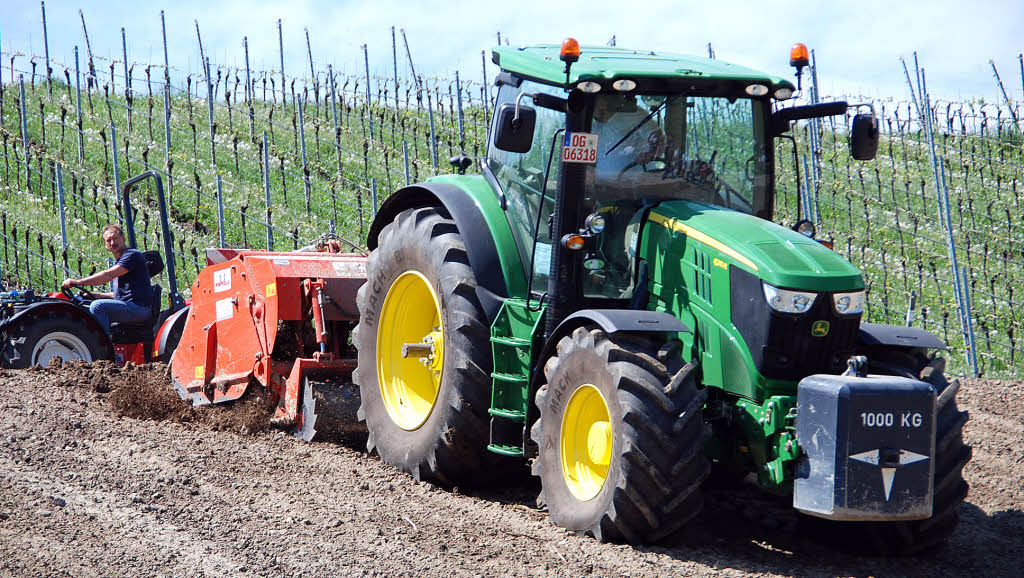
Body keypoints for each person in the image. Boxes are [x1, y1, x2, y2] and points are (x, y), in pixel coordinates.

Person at [62, 224, 154, 333]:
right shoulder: (118, 262)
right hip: (129, 306)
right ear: (106, 245)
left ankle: (101, 347)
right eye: (108, 240)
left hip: (139, 309)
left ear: (123, 238)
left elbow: (107, 275)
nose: (112, 243)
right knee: (84, 307)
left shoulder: (132, 255)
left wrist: (78, 282)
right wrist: (95, 295)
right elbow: (118, 295)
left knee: (98, 306)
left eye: (115, 238)